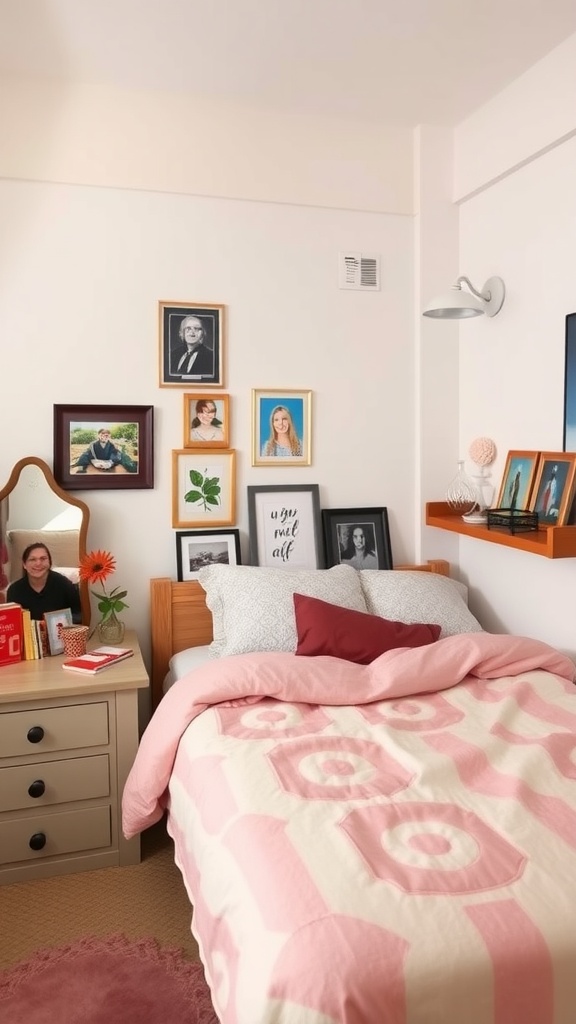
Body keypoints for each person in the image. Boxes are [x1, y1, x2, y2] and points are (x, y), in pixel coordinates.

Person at [7, 542, 82, 622]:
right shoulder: (14, 590)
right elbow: (11, 622)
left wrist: (56, 621)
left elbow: (79, 615)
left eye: (43, 558)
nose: (38, 563)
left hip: (61, 633)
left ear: (49, 562)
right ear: (24, 564)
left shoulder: (64, 584)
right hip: (28, 634)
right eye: (32, 559)